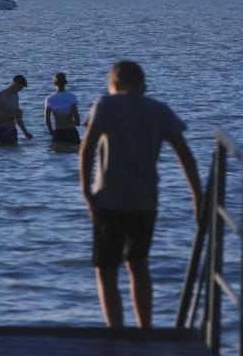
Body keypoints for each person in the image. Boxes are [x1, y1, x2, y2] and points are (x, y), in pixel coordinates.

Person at [79, 60, 202, 329]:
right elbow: (185, 155)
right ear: (142, 86)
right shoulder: (159, 109)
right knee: (138, 264)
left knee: (107, 269)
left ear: (113, 84)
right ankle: (144, 329)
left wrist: (86, 192)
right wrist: (197, 196)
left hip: (107, 200)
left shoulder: (105, 104)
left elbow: (86, 149)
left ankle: (116, 330)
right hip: (145, 201)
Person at [0, 75, 34, 145]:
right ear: (14, 83)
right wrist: (13, 116)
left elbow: (18, 118)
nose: (20, 90)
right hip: (1, 130)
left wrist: (26, 132)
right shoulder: (0, 96)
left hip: (13, 130)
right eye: (20, 88)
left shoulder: (15, 96)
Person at [44, 72, 81, 145]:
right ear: (66, 82)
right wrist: (77, 122)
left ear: (54, 83)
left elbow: (47, 118)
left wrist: (50, 130)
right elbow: (76, 114)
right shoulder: (72, 97)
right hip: (72, 131)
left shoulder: (49, 99)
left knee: (57, 153)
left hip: (59, 132)